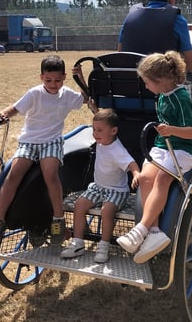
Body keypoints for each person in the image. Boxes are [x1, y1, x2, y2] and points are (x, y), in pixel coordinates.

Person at [0, 55, 91, 255]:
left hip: (51, 142)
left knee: (50, 173)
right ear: (41, 77)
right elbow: (15, 108)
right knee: (13, 174)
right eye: (48, 80)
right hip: (29, 142)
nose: (53, 84)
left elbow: (86, 98)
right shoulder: (34, 94)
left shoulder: (67, 94)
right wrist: (4, 114)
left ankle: (57, 220)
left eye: (58, 80)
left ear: (64, 77)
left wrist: (81, 77)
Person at [117, 51, 192, 263]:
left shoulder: (181, 98)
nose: (145, 87)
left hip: (182, 149)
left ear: (160, 81)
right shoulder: (161, 96)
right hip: (164, 146)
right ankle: (154, 232)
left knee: (162, 178)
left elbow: (191, 132)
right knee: (144, 178)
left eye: (146, 82)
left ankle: (141, 228)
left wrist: (171, 130)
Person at [60, 108, 140, 264]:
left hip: (117, 191)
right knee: (79, 206)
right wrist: (94, 108)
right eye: (94, 129)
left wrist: (136, 174)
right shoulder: (103, 140)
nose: (95, 133)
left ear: (114, 131)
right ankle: (78, 243)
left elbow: (131, 163)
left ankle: (104, 245)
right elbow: (104, 120)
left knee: (106, 211)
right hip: (98, 187)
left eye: (99, 130)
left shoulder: (117, 149)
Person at [117, 0, 192, 113]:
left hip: (130, 92)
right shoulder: (177, 19)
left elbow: (120, 55)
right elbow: (190, 64)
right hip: (163, 93)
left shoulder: (129, 18)